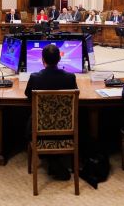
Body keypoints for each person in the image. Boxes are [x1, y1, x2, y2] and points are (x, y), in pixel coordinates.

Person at [24, 44, 78, 181]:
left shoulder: (35, 77)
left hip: (39, 131)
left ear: (43, 60)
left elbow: (28, 96)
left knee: (29, 120)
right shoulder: (70, 77)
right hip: (66, 130)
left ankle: (50, 159)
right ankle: (56, 161)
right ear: (59, 59)